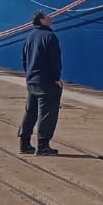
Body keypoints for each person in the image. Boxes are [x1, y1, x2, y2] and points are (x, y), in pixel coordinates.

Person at [18, 11, 63, 155]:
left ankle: (24, 143)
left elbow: (24, 58)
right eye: (47, 16)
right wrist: (56, 78)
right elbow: (55, 61)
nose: (50, 18)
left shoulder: (30, 36)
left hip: (32, 81)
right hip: (46, 81)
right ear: (42, 20)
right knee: (47, 114)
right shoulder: (50, 36)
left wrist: (29, 75)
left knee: (30, 112)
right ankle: (43, 146)